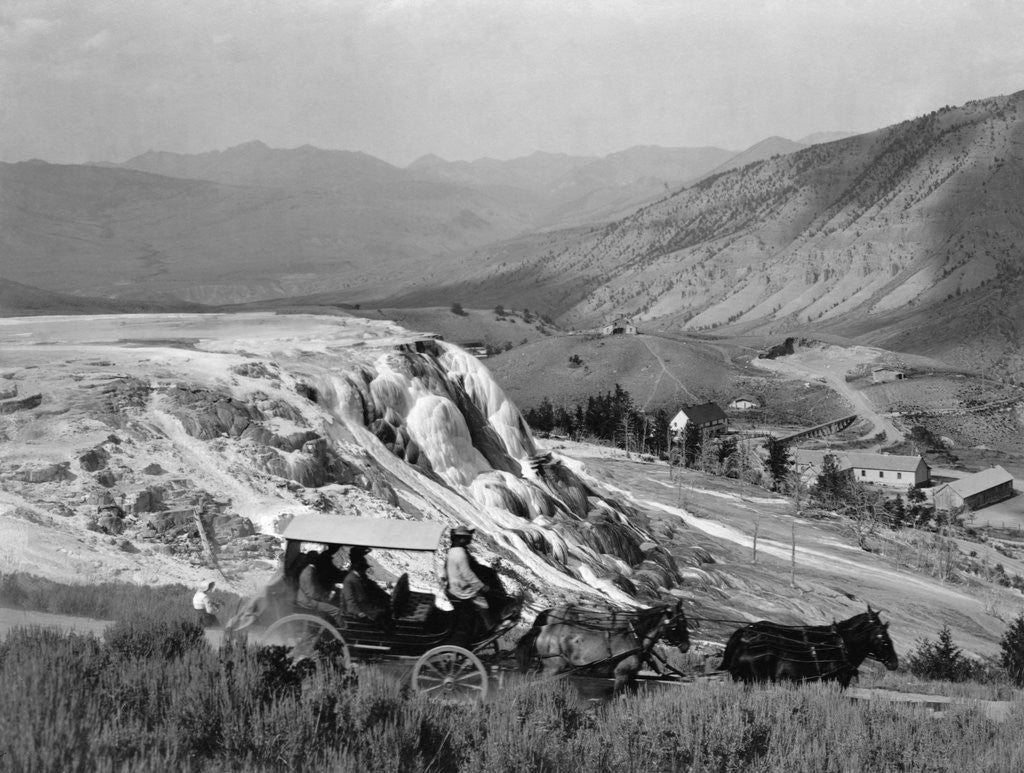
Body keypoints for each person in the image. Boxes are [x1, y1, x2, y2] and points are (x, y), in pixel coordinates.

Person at [445, 526, 492, 647]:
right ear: (461, 539)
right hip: (461, 589)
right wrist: (481, 587)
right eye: (467, 537)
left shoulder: (452, 550)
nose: (470, 539)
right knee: (482, 602)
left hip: (455, 586)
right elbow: (467, 574)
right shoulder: (460, 553)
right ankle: (489, 628)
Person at [340, 546, 393, 631]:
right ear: (359, 568)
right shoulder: (350, 580)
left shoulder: (360, 578)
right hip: (363, 610)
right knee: (383, 615)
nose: (365, 571)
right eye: (363, 569)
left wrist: (387, 597)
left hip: (368, 607)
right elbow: (350, 602)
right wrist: (360, 614)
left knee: (386, 610)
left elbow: (373, 588)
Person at [297, 544, 346, 616]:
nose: (319, 560)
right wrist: (325, 597)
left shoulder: (311, 570)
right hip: (308, 601)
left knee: (335, 597)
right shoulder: (309, 573)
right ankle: (342, 625)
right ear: (314, 560)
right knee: (336, 609)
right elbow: (311, 593)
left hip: (309, 598)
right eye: (317, 558)